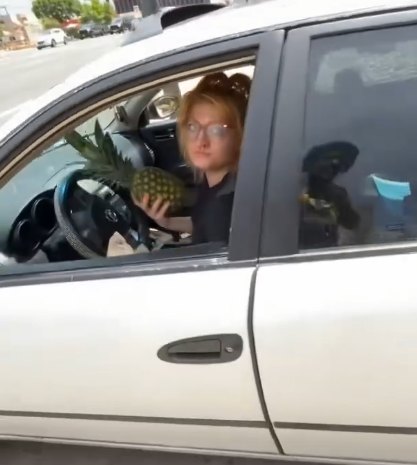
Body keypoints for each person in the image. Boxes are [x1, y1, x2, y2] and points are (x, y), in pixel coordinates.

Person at [133, 71, 251, 245]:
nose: (200, 140)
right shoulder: (216, 181)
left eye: (216, 129)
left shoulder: (225, 205)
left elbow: (214, 231)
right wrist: (166, 222)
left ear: (240, 136)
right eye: (193, 126)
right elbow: (202, 225)